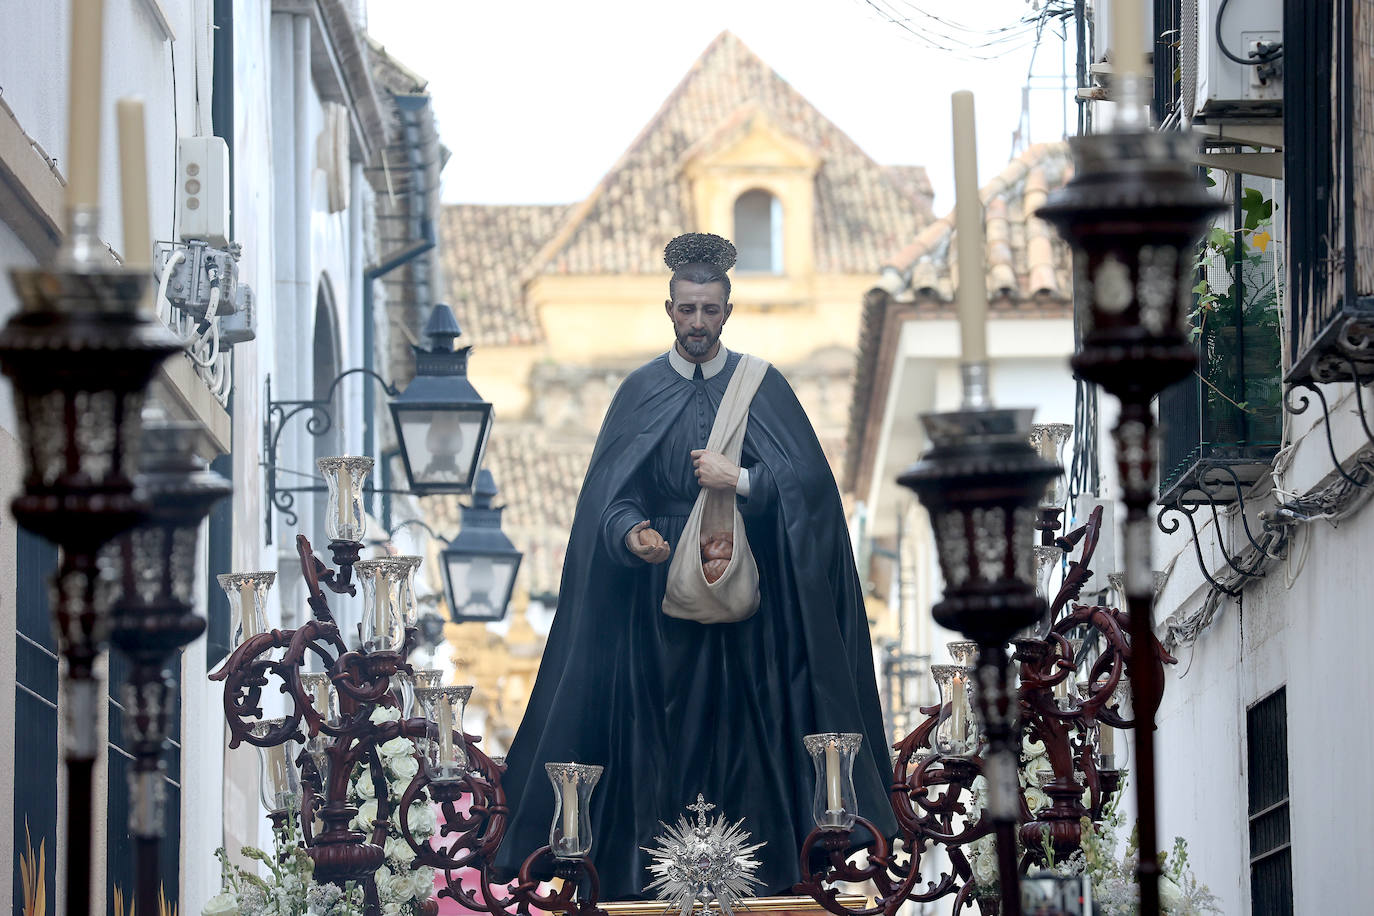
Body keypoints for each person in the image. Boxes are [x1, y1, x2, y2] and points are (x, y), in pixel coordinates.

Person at [494, 233, 895, 900]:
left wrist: (738, 479)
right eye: (688, 310)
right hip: (657, 616)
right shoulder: (640, 390)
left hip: (750, 619)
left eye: (711, 310)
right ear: (669, 309)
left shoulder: (763, 389)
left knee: (750, 739)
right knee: (656, 743)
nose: (699, 323)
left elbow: (812, 499)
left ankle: (765, 881)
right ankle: (645, 885)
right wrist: (633, 535)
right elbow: (610, 499)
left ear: (728, 312)